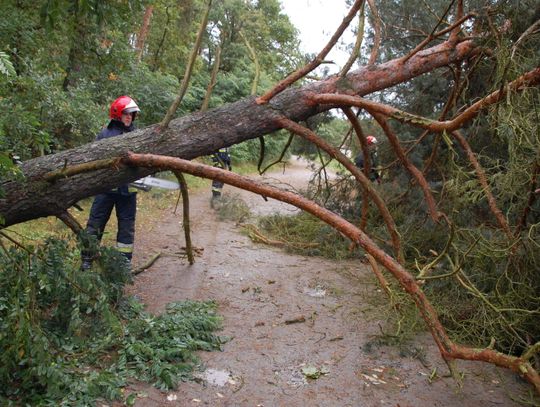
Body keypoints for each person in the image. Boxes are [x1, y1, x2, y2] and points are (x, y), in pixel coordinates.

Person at [81, 96, 141, 270]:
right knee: (95, 224)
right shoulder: (105, 134)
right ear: (117, 114)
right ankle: (87, 259)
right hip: (105, 191)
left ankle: (124, 264)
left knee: (126, 229)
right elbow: (94, 159)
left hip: (128, 192)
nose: (130, 117)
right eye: (127, 114)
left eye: (132, 114)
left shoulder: (138, 135)